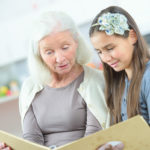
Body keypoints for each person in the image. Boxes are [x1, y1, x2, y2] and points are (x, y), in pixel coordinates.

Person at [16, 11, 110, 149]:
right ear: (39, 54)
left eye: (65, 48)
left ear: (76, 41)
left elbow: (94, 137)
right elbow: (31, 138)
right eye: (49, 52)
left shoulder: (96, 81)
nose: (60, 59)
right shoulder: (30, 87)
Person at [89, 6, 150, 125]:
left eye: (110, 48)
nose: (105, 58)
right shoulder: (119, 82)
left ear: (132, 36)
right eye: (99, 52)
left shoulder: (147, 77)